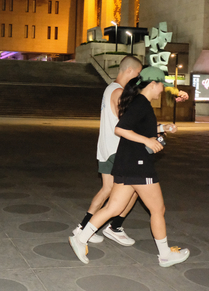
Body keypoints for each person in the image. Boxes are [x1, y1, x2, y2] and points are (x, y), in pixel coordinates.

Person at [69, 67, 190, 268]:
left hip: (127, 163)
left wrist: (162, 129)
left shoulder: (140, 103)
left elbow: (136, 127)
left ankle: (81, 238)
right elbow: (121, 129)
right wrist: (148, 141)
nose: (162, 90)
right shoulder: (141, 104)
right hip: (138, 164)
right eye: (162, 85)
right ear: (153, 84)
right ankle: (165, 254)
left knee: (113, 207)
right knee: (157, 209)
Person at [71, 56, 143, 246]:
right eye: (137, 74)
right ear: (129, 71)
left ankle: (83, 227)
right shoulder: (119, 92)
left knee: (107, 189)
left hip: (105, 147)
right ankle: (115, 227)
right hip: (116, 150)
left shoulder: (109, 88)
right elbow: (126, 124)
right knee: (136, 187)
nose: (137, 78)